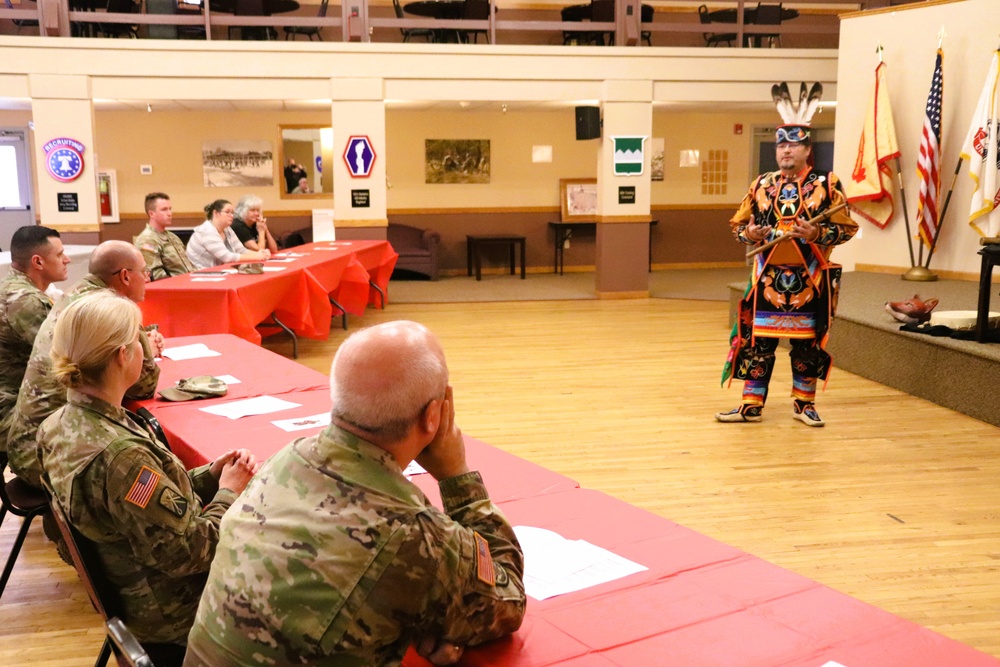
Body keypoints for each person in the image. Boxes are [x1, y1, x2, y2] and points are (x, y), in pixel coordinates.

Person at [184, 321, 526, 667]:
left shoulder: (289, 457)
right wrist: (457, 476)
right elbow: (508, 601)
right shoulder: (414, 531)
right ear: (434, 416)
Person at [38, 291, 258, 663]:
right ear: (123, 355)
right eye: (140, 339)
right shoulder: (121, 457)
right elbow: (189, 552)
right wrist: (228, 494)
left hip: (135, 591)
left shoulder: (60, 425)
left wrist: (210, 475)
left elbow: (142, 507)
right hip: (176, 613)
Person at [716, 82, 857, 428]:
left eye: (793, 144)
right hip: (766, 278)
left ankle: (804, 403)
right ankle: (751, 403)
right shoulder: (761, 184)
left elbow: (848, 228)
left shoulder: (828, 184)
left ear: (808, 149)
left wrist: (818, 233)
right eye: (781, 144)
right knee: (758, 342)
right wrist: (749, 233)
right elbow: (737, 225)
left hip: (809, 278)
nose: (786, 151)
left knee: (806, 345)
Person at [7, 241, 164, 488]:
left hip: (32, 441)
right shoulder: (110, 309)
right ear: (125, 276)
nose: (147, 277)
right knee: (142, 464)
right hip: (50, 454)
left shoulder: (78, 294)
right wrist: (146, 350)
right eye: (143, 271)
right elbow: (144, 385)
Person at [0, 225, 69, 452]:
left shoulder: (9, 288)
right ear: (38, 262)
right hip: (11, 411)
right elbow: (68, 354)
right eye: (59, 255)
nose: (66, 259)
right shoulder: (26, 301)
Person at [185, 199, 271, 270]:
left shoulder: (227, 229)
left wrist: (261, 254)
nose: (231, 215)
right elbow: (227, 257)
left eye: (232, 213)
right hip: (200, 273)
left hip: (219, 271)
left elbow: (241, 250)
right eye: (227, 212)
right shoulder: (206, 231)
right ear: (216, 213)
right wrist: (257, 257)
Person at [134, 192, 196, 280]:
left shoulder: (172, 236)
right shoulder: (148, 239)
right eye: (164, 209)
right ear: (152, 214)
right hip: (171, 288)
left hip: (188, 282)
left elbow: (188, 267)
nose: (169, 213)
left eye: (170, 209)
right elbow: (155, 275)